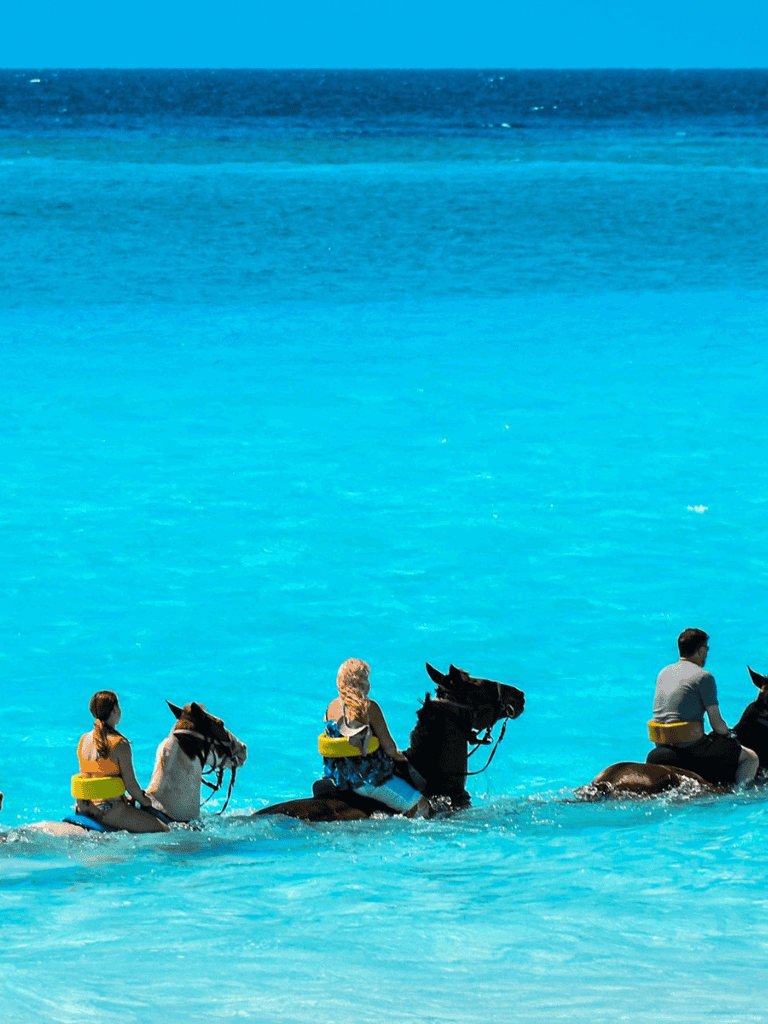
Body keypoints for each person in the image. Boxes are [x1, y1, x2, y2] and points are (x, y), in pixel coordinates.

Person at [647, 628, 758, 786]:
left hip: (660, 746)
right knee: (751, 758)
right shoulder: (704, 676)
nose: (707, 652)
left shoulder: (664, 673)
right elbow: (717, 724)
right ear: (700, 651)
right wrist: (727, 733)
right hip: (690, 749)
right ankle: (739, 796)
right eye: (707, 648)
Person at [321, 658, 430, 816]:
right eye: (366, 678)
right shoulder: (369, 707)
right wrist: (401, 758)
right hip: (366, 781)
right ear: (362, 683)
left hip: (338, 779)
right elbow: (390, 748)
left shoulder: (331, 707)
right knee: (421, 804)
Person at [73, 690, 169, 833]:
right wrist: (146, 801)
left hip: (84, 806)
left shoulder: (84, 739)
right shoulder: (120, 744)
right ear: (115, 710)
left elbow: (90, 777)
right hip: (110, 810)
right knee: (163, 829)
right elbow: (130, 785)